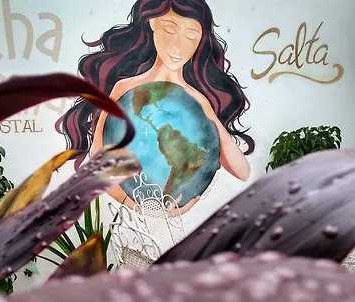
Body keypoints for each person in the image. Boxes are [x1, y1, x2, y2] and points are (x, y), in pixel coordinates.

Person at [56, 0, 254, 215]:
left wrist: (209, 113)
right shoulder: (124, 88)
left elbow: (242, 171)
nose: (178, 45)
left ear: (201, 39)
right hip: (134, 218)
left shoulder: (197, 100)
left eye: (191, 35)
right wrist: (143, 209)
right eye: (169, 29)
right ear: (152, 23)